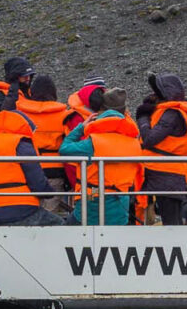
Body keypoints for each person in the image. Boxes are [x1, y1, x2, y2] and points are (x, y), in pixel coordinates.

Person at [59, 87, 140, 225]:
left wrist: (81, 127)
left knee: (71, 228)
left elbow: (64, 149)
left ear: (99, 113)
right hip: (121, 202)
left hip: (93, 202)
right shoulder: (135, 142)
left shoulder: (93, 143)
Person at [0, 103, 66, 225]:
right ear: (24, 125)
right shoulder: (20, 143)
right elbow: (36, 180)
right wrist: (48, 192)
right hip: (21, 209)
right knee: (59, 224)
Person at [138, 72, 187, 225]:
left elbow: (149, 139)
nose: (154, 95)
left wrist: (143, 117)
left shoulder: (171, 113)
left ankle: (177, 247)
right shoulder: (182, 112)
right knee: (173, 220)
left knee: (171, 223)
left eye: (157, 92)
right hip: (173, 174)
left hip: (164, 174)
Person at [17, 74, 73, 189]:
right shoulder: (64, 115)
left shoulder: (21, 115)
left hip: (28, 170)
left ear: (32, 92)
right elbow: (69, 143)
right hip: (55, 171)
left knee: (31, 207)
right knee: (51, 206)